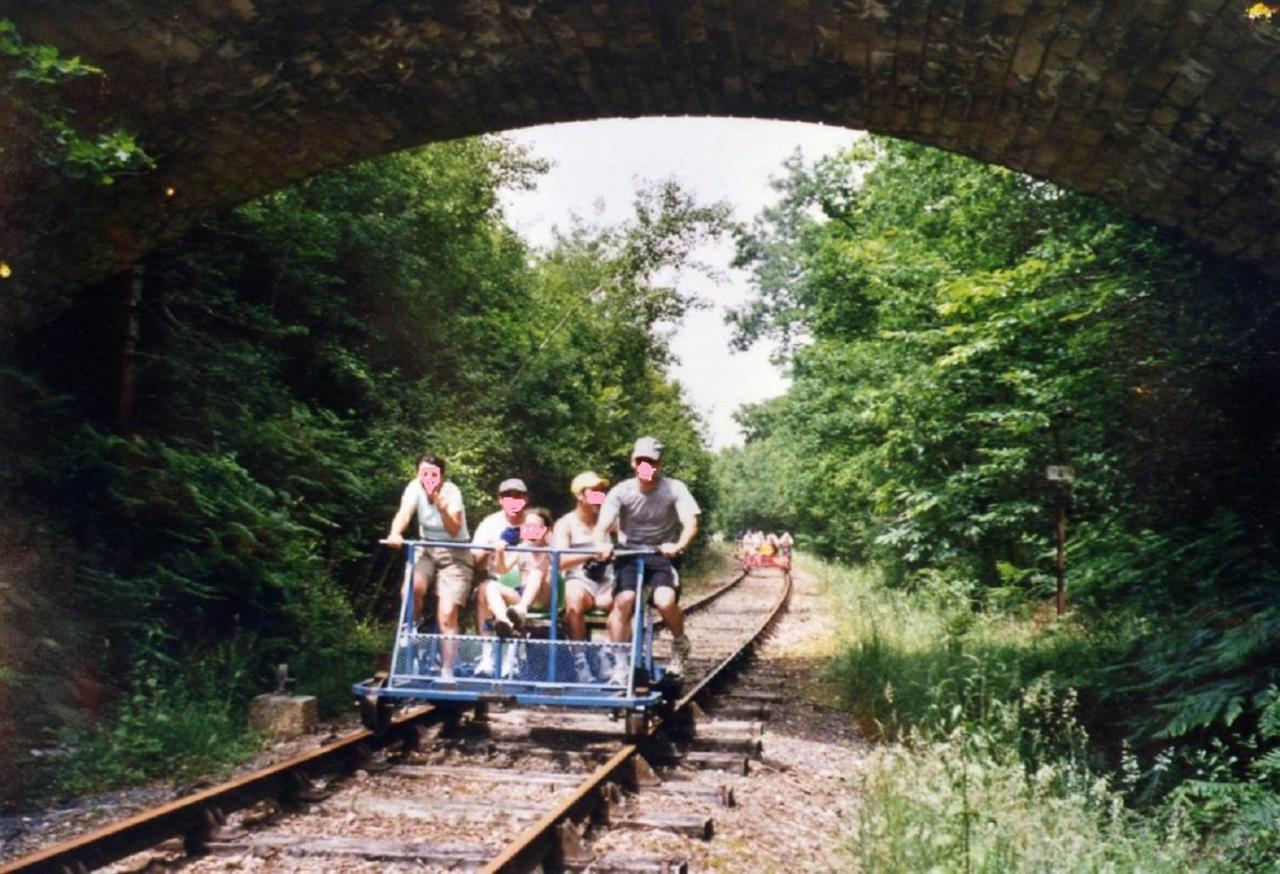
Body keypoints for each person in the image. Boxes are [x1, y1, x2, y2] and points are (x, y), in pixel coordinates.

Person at [594, 436, 699, 680]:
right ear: (633, 463)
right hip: (630, 552)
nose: (645, 467)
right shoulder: (622, 491)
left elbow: (691, 523)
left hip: (661, 553)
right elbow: (603, 524)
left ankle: (680, 643)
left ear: (660, 464)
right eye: (641, 461)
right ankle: (620, 663)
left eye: (650, 462)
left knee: (664, 601)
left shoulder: (674, 488)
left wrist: (678, 545)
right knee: (624, 601)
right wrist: (602, 544)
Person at [384, 451, 473, 679]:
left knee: (447, 614)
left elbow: (454, 529)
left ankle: (447, 670)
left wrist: (441, 507)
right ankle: (411, 627)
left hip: (456, 552)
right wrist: (395, 533)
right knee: (412, 588)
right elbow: (404, 513)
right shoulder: (414, 487)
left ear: (442, 476)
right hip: (426, 547)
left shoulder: (452, 492)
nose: (428, 479)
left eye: (433, 474)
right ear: (418, 473)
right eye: (424, 473)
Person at [554, 471, 616, 682]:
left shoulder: (608, 521)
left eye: (602, 493)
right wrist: (591, 552)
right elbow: (559, 561)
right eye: (595, 493)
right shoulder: (566, 524)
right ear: (580, 496)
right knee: (574, 601)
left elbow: (630, 536)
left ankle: (606, 653)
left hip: (606, 579)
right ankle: (580, 661)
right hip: (580, 580)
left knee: (624, 599)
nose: (600, 497)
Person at [470, 478, 530, 675]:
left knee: (489, 590)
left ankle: (512, 656)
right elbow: (476, 562)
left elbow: (546, 551)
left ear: (525, 499)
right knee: (484, 590)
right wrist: (489, 549)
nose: (513, 501)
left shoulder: (533, 523)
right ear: (500, 500)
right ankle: (487, 655)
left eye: (517, 497)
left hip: (526, 588)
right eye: (507, 497)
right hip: (497, 584)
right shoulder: (490, 523)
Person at [488, 506, 556, 637]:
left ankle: (522, 609)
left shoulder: (550, 551)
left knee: (536, 573)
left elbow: (557, 569)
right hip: (522, 595)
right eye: (528, 527)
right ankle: (505, 621)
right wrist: (500, 553)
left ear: (544, 531)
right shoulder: (521, 549)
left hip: (543, 596)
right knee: (491, 587)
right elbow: (502, 570)